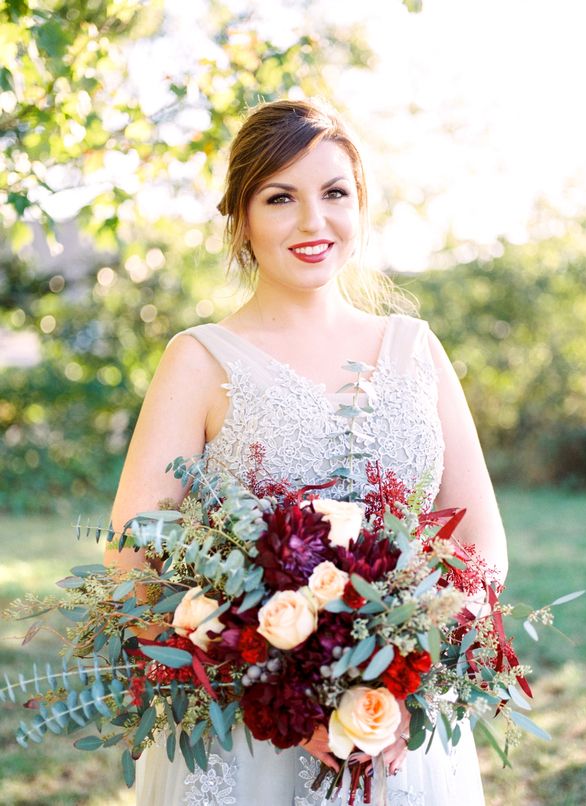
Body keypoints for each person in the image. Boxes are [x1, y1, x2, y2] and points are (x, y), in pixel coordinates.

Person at [106, 98, 508, 805]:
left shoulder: (418, 350)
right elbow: (133, 559)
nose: (312, 221)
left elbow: (480, 540)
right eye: (280, 197)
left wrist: (408, 666)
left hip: (400, 726)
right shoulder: (198, 359)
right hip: (251, 737)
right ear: (240, 215)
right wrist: (280, 691)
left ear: (361, 205)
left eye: (334, 193)